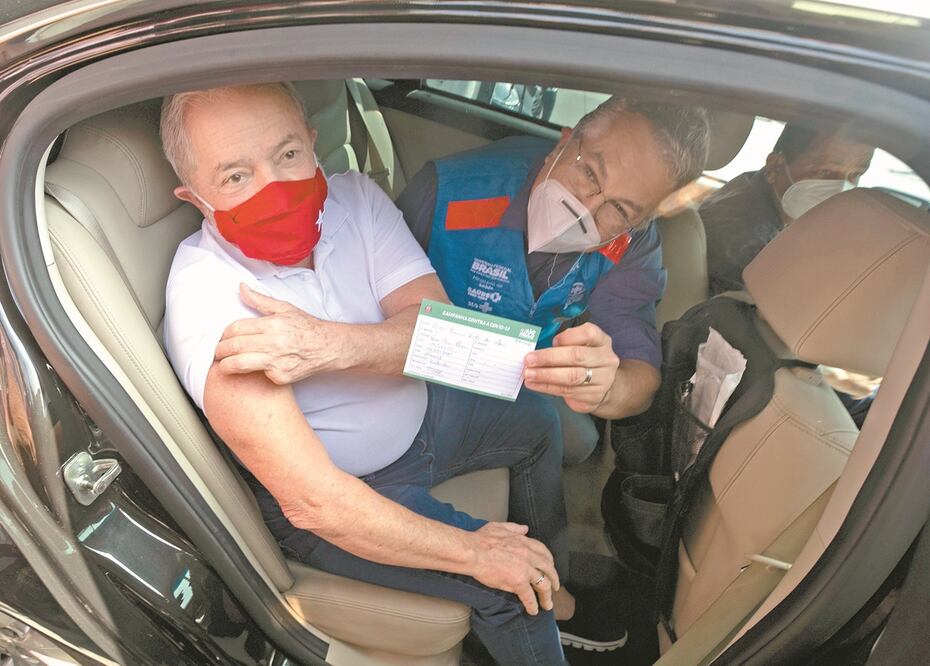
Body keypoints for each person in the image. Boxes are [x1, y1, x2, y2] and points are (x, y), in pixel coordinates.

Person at [160, 82, 625, 664]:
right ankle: (530, 605)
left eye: (286, 156)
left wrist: (326, 345)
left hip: (424, 416)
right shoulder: (205, 296)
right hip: (348, 495)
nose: (274, 188)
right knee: (506, 588)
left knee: (536, 421)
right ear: (194, 196)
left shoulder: (354, 199)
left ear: (311, 142)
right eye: (235, 177)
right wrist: (477, 552)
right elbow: (315, 502)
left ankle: (551, 587)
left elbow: (439, 332)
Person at [395, 98, 711, 464]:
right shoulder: (451, 191)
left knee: (579, 443)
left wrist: (607, 388)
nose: (585, 210)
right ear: (562, 143)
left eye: (620, 209)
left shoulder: (628, 242)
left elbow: (640, 372)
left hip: (527, 375)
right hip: (424, 368)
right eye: (590, 173)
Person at [701, 123, 875, 295]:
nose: (840, 188)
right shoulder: (744, 237)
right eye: (824, 172)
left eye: (855, 175)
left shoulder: (757, 186)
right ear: (774, 166)